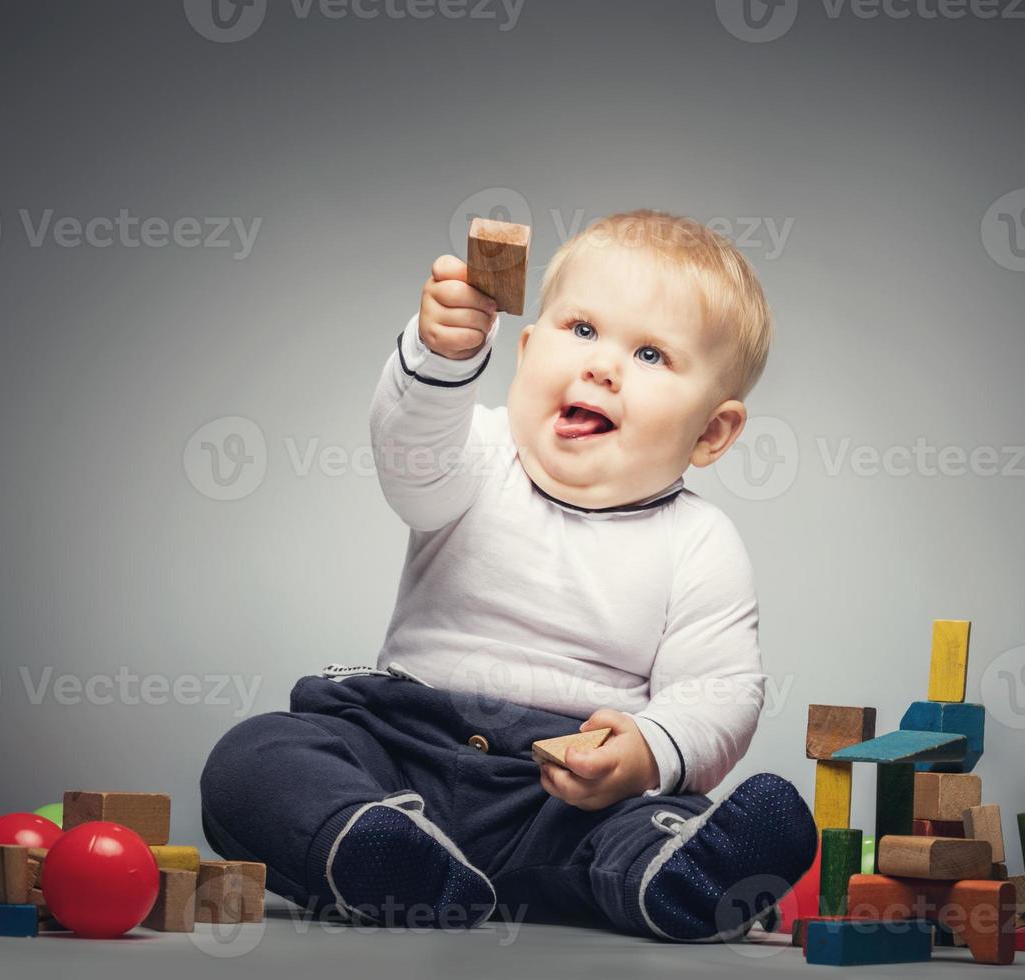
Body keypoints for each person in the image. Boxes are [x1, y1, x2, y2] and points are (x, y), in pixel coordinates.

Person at [201, 209, 816, 941]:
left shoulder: (700, 541)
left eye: (651, 355)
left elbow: (720, 692)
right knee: (254, 759)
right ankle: (375, 847)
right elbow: (411, 465)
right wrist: (442, 360)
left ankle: (674, 878)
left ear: (712, 431)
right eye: (582, 329)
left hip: (567, 799)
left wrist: (646, 750)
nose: (601, 365)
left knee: (647, 822)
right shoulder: (482, 452)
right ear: (526, 352)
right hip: (402, 750)